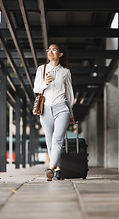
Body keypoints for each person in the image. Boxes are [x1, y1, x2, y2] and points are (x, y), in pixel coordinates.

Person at [33, 43, 75, 181]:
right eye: (49, 50)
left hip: (61, 108)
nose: (50, 52)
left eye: (54, 50)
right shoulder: (41, 69)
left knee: (58, 139)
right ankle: (57, 168)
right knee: (50, 141)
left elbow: (69, 94)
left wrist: (71, 113)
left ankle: (50, 168)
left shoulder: (65, 72)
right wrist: (45, 83)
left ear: (60, 54)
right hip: (45, 109)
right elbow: (36, 89)